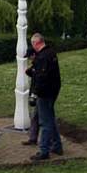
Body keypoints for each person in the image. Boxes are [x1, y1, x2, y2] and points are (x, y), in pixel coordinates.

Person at [25, 32, 62, 160]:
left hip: (45, 93)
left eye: (32, 44)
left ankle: (44, 151)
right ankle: (57, 146)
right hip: (53, 90)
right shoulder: (51, 53)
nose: (32, 46)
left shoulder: (42, 57)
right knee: (50, 119)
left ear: (36, 43)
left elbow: (41, 78)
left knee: (45, 122)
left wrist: (34, 94)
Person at [22, 46, 40, 146]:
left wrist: (34, 94)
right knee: (35, 118)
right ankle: (33, 138)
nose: (29, 59)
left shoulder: (38, 64)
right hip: (37, 93)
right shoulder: (35, 65)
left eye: (29, 57)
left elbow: (38, 79)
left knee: (43, 119)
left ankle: (53, 142)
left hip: (40, 94)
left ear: (33, 55)